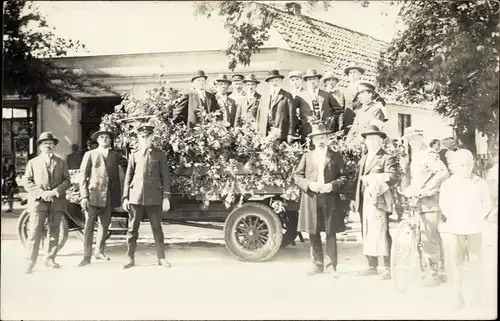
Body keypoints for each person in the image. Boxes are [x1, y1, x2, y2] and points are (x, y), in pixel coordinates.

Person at [439, 149, 492, 311]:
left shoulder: (480, 183)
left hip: (474, 228)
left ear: (473, 164)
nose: (466, 168)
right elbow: (444, 205)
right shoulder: (448, 184)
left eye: (469, 164)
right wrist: (455, 217)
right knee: (457, 264)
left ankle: (475, 298)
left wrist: (478, 217)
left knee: (475, 262)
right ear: (454, 166)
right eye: (462, 165)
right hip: (456, 228)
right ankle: (458, 297)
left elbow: (487, 203)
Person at [294, 123, 347, 277]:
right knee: (313, 232)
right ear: (313, 141)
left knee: (331, 232)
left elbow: (344, 177)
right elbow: (297, 176)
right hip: (312, 198)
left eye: (323, 137)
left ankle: (331, 266)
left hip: (330, 198)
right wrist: (309, 185)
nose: (321, 140)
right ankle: (317, 265)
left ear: (327, 138)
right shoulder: (307, 156)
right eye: (317, 138)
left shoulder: (336, 156)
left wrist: (332, 186)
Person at [402, 126, 449, 287]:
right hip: (419, 202)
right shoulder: (414, 155)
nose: (412, 141)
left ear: (421, 137)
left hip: (430, 202)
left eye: (415, 138)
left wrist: (427, 190)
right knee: (423, 237)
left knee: (430, 238)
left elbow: (443, 173)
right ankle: (433, 270)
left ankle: (435, 273)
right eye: (409, 139)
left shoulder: (429, 154)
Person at [122, 123, 171, 269]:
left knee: (157, 229)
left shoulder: (159, 155)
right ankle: (130, 258)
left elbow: (165, 177)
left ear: (152, 137)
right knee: (132, 229)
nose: (144, 139)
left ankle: (161, 258)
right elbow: (128, 177)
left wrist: (166, 197)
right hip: (136, 196)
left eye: (147, 136)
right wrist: (125, 197)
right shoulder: (134, 154)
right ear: (138, 138)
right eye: (142, 137)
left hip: (154, 197)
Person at [353, 125, 398, 280]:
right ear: (365, 141)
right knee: (367, 232)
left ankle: (388, 267)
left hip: (379, 200)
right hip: (364, 200)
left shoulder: (386, 157)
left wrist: (377, 179)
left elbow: (393, 176)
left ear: (381, 141)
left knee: (382, 233)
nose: (372, 142)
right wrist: (354, 199)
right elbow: (357, 181)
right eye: (369, 139)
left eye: (375, 139)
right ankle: (371, 265)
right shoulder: (363, 159)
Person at [22, 132, 71, 274]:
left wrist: (55, 192)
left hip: (56, 201)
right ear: (40, 147)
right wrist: (41, 193)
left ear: (54, 146)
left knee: (54, 230)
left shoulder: (61, 162)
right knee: (34, 231)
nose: (48, 146)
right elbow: (27, 181)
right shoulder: (33, 162)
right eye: (45, 143)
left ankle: (50, 258)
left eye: (50, 143)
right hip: (38, 202)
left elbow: (67, 180)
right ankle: (30, 261)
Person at [78, 125, 123, 267]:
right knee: (89, 226)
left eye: (107, 137)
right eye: (102, 137)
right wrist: (84, 196)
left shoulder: (115, 155)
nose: (105, 139)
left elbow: (129, 167)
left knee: (104, 224)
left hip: (108, 195)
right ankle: (86, 256)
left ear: (110, 140)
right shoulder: (90, 154)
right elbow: (83, 176)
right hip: (93, 195)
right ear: (97, 139)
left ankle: (99, 251)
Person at [296, 68, 342, 141]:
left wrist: (331, 123)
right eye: (310, 79)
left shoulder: (326, 95)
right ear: (306, 82)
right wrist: (301, 124)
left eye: (314, 79)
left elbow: (338, 111)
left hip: (325, 131)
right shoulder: (300, 96)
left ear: (318, 80)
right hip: (308, 132)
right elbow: (292, 112)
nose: (312, 81)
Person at [256, 70, 296, 143]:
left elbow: (292, 116)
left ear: (281, 81)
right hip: (265, 133)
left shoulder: (287, 96)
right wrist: (258, 132)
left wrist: (290, 133)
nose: (274, 83)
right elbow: (259, 115)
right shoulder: (264, 96)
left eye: (276, 80)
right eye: (272, 81)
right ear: (269, 83)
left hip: (281, 131)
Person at [342, 64, 365, 134]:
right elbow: (343, 107)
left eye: (355, 72)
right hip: (348, 120)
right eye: (350, 73)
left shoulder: (365, 88)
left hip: (360, 118)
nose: (352, 75)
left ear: (360, 74)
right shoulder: (345, 90)